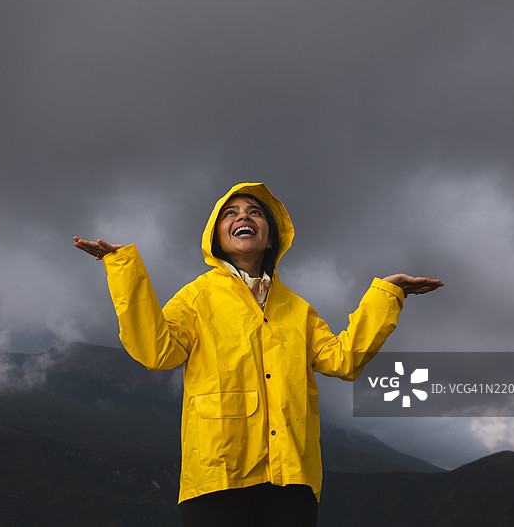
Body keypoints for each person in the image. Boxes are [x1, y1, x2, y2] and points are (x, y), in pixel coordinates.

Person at [73, 182, 442, 527]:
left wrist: (386, 295)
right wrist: (123, 270)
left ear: (270, 238)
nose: (243, 217)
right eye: (230, 213)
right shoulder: (196, 298)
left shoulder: (298, 310)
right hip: (217, 475)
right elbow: (157, 351)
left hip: (292, 478)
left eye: (255, 212)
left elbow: (342, 360)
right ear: (216, 237)